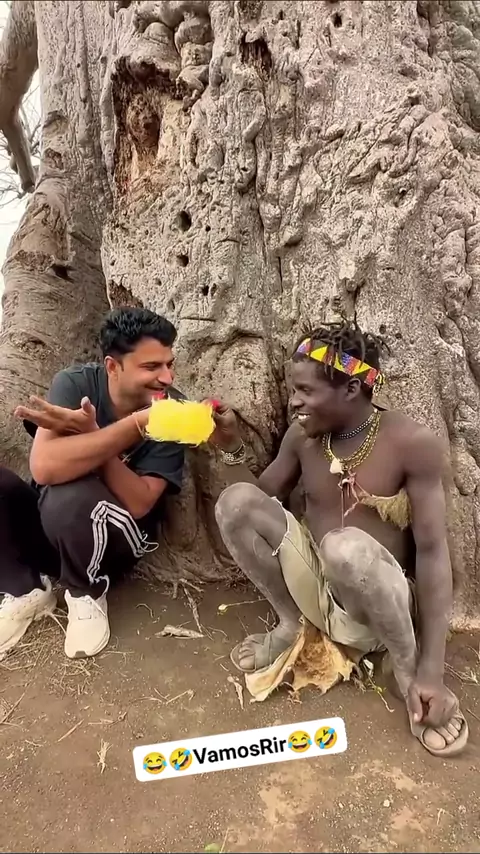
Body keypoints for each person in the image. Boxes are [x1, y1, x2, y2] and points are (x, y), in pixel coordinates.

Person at [211, 320, 468, 758]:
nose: (293, 401)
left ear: (350, 389)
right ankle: (293, 625)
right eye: (293, 389)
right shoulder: (302, 437)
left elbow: (432, 553)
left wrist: (432, 669)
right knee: (235, 502)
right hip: (317, 590)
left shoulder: (410, 442)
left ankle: (407, 672)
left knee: (344, 547)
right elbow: (256, 502)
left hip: (381, 608)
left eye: (305, 391)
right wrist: (231, 447)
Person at [1, 307, 185, 660]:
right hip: (51, 529)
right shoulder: (76, 384)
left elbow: (141, 502)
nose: (166, 377)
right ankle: (26, 591)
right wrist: (124, 430)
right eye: (152, 367)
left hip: (115, 541)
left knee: (70, 495)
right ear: (113, 367)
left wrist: (94, 437)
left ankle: (85, 592)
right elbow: (44, 467)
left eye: (169, 364)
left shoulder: (172, 411)